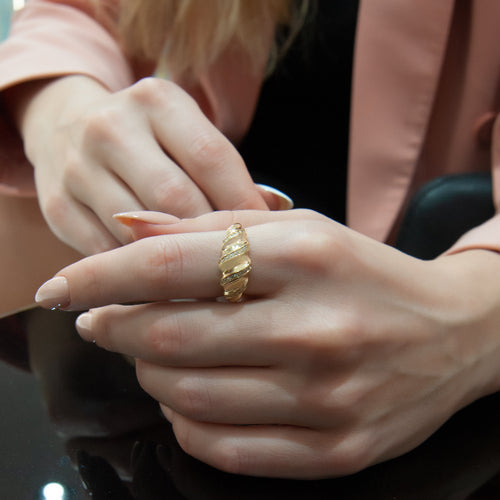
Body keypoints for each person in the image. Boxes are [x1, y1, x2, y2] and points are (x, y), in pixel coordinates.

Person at [2, 0, 500, 479]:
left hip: (438, 402)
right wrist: (61, 110)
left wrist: (473, 317)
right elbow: (72, 13)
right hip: (158, 378)